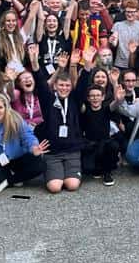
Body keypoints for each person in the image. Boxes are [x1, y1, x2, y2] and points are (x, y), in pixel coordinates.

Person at [28, 47, 92, 194]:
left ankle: (67, 173)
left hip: (72, 150)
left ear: (71, 87)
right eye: (61, 85)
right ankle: (55, 173)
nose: (64, 88)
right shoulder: (48, 100)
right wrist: (34, 62)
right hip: (53, 152)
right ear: (55, 86)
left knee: (72, 185)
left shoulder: (75, 100)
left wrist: (87, 64)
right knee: (55, 188)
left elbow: (82, 85)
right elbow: (40, 83)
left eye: (67, 86)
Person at [80, 83, 120, 185]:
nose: (95, 98)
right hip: (90, 144)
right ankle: (97, 167)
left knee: (113, 145)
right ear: (88, 98)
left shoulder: (106, 109)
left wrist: (118, 99)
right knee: (88, 169)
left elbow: (115, 104)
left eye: (98, 95)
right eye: (92, 96)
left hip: (105, 143)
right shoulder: (85, 110)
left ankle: (107, 172)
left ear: (103, 97)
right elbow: (78, 102)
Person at [110, 0, 139, 70]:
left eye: (132, 12)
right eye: (128, 12)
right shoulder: (118, 25)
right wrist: (112, 41)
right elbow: (114, 43)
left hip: (135, 62)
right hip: (120, 63)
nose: (130, 14)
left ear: (137, 12)